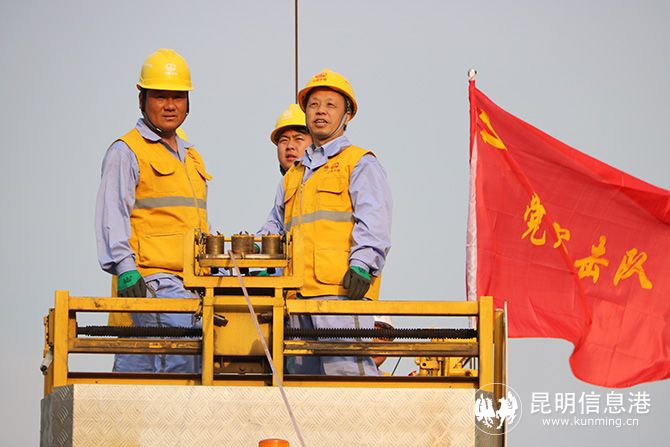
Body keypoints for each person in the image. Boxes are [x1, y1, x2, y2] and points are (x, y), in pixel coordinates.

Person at [260, 69, 392, 375]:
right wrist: (249, 255)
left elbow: (374, 220)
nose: (321, 111)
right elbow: (274, 228)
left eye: (331, 105)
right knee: (302, 386)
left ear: (347, 115)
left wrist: (363, 264)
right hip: (295, 297)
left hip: (340, 294)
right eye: (314, 105)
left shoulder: (359, 163)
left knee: (346, 377)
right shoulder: (294, 175)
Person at [96, 49, 211, 373]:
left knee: (138, 373)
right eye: (160, 96)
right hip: (154, 280)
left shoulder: (190, 157)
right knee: (179, 368)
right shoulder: (127, 151)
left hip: (192, 281)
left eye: (178, 97)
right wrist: (125, 267)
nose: (170, 105)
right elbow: (112, 213)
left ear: (188, 102)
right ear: (142, 100)